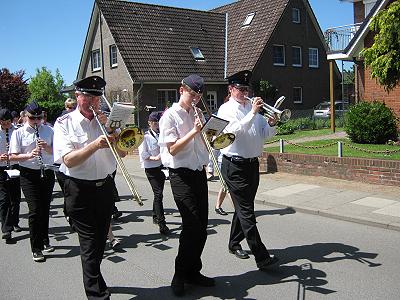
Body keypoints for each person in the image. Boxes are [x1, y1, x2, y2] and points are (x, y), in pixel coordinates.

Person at [53, 75, 125, 299]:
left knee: (99, 242)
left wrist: (111, 129)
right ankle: (96, 295)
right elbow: (69, 161)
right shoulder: (64, 123)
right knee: (89, 245)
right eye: (88, 97)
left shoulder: (106, 121)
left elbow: (123, 152)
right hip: (78, 189)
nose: (94, 103)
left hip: (104, 187)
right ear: (77, 96)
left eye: (97, 98)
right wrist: (95, 144)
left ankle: (97, 283)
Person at [217, 70, 279, 270]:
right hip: (234, 165)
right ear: (231, 89)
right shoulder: (226, 109)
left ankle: (234, 243)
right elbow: (234, 131)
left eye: (246, 89)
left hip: (252, 165)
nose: (244, 92)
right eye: (240, 89)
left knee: (244, 207)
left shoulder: (255, 110)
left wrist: (272, 123)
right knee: (246, 212)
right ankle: (261, 256)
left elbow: (265, 133)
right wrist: (252, 113)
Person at [159, 74, 215, 296]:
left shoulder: (198, 112)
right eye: (192, 94)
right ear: (181, 89)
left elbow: (202, 143)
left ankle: (193, 270)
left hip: (198, 172)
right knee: (191, 225)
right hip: (180, 175)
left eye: (199, 96)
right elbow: (172, 149)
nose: (195, 99)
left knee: (202, 227)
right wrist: (194, 131)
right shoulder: (170, 116)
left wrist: (212, 133)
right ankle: (179, 274)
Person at [9, 101, 56, 261]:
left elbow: (59, 151)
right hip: (28, 174)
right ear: (26, 116)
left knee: (45, 208)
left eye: (39, 117)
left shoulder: (49, 130)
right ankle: (36, 248)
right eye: (32, 118)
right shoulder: (19, 133)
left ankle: (45, 239)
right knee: (35, 210)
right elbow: (13, 155)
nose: (36, 121)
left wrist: (48, 148)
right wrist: (29, 155)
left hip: (47, 171)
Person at [138, 111, 169, 235]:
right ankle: (162, 223)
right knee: (159, 194)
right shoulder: (145, 137)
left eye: (158, 122)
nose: (157, 125)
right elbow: (143, 154)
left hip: (161, 167)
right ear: (149, 123)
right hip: (151, 168)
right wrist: (154, 158)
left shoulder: (161, 135)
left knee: (158, 194)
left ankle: (154, 215)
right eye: (154, 122)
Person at [0, 108, 22, 242]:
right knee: (4, 199)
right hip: (1, 167)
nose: (6, 125)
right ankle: (6, 229)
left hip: (15, 166)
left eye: (8, 122)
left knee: (15, 197)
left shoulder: (17, 130)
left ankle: (14, 221)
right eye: (3, 123)